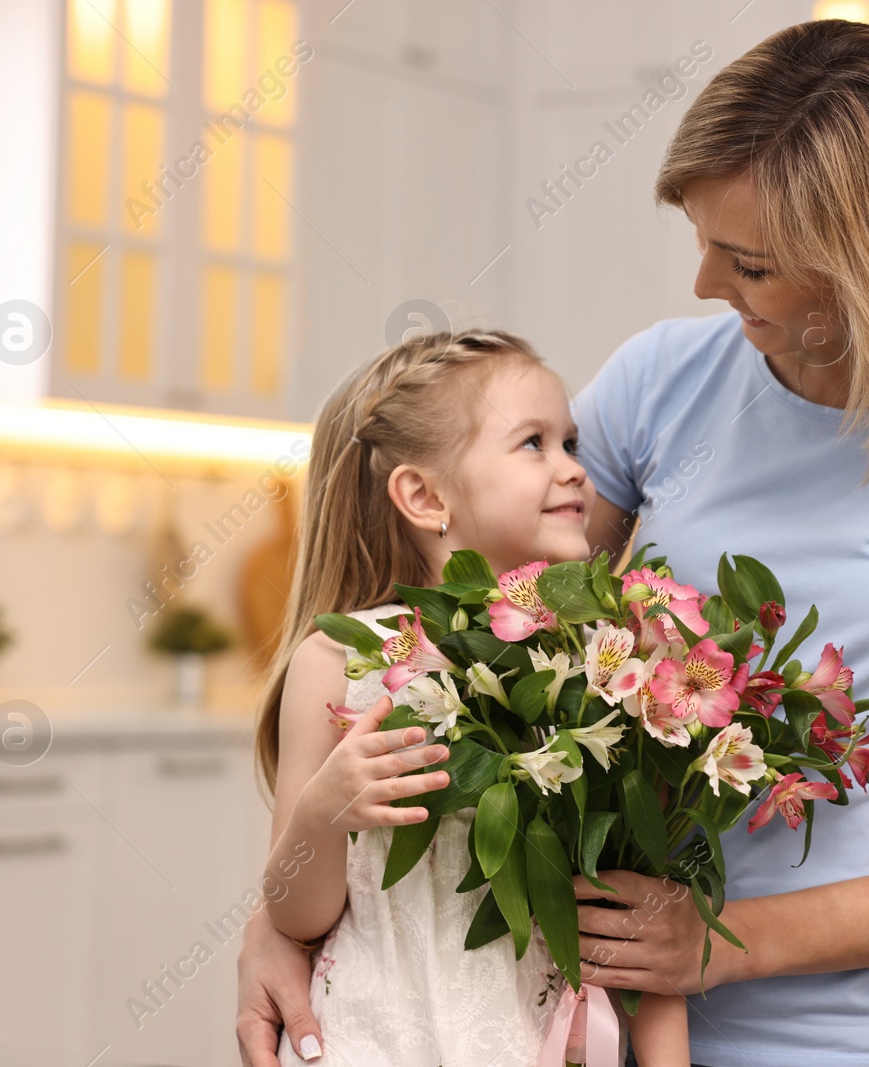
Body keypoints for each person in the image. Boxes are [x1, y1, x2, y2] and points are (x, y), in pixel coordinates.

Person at [240, 18, 869, 1067]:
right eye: (704, 240)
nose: (705, 287)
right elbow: (473, 642)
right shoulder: (659, 383)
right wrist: (279, 917)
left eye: (750, 263)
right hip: (563, 1031)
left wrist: (722, 945)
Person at [252, 329, 690, 1066]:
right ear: (424, 496)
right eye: (534, 444)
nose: (575, 471)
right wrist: (324, 811)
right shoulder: (340, 662)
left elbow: (639, 916)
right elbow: (295, 915)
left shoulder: (606, 662)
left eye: (571, 444)